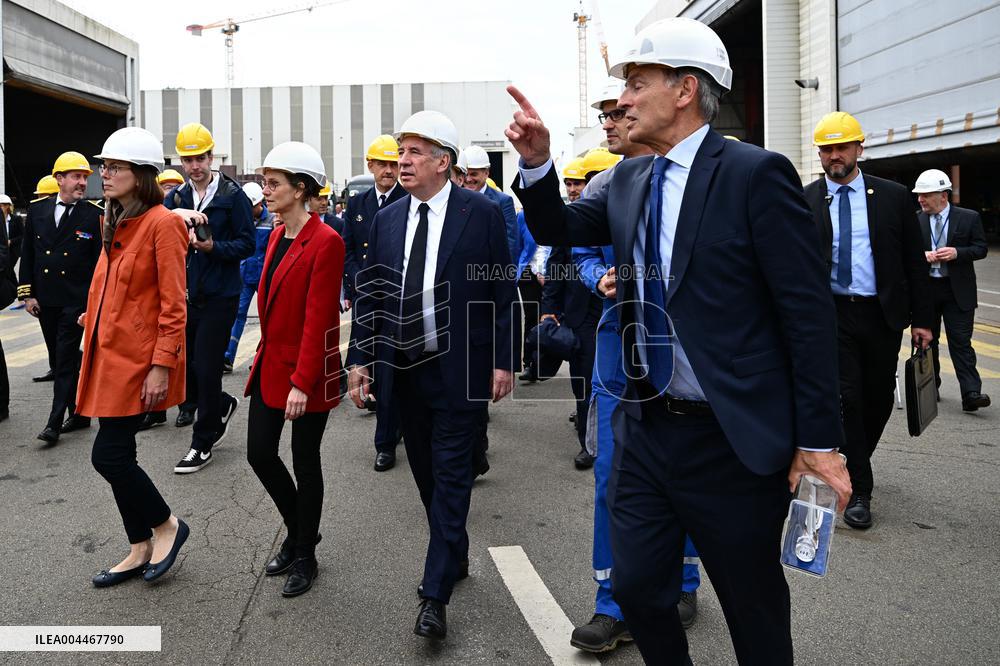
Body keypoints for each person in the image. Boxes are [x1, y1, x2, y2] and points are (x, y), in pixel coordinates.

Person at [506, 17, 852, 664]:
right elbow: (557, 223)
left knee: (754, 613)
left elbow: (806, 316)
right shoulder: (629, 180)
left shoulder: (756, 175)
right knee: (637, 589)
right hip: (646, 428)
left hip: (732, 440)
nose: (623, 101)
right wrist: (536, 163)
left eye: (637, 83)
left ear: (686, 88)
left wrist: (819, 443)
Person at [347, 110, 516, 640]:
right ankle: (454, 549)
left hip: (459, 368)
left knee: (450, 475)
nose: (403, 160)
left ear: (444, 162)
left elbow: (501, 290)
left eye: (415, 152)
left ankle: (434, 592)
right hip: (403, 370)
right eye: (402, 151)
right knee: (424, 472)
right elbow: (373, 295)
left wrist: (504, 359)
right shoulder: (388, 219)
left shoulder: (481, 214)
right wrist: (359, 359)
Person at [568, 81, 699, 654]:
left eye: (618, 113)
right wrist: (598, 278)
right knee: (613, 476)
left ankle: (685, 580)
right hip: (617, 349)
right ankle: (612, 603)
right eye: (605, 115)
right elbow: (575, 250)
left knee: (692, 473)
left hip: (686, 356)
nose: (609, 123)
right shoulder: (604, 184)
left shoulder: (698, 182)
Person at [803, 112, 933, 529]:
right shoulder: (804, 200)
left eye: (842, 147)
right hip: (831, 314)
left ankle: (850, 459)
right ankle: (860, 489)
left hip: (881, 313)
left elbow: (915, 263)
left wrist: (924, 320)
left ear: (860, 148)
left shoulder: (892, 196)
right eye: (827, 149)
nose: (834, 156)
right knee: (848, 397)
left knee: (877, 398)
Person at [77, 127, 190, 588]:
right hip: (110, 354)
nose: (105, 173)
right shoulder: (116, 217)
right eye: (105, 166)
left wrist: (161, 364)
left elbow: (174, 303)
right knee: (116, 450)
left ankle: (166, 526)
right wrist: (93, 319)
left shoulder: (162, 223)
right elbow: (112, 284)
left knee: (109, 455)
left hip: (140, 362)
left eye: (116, 167)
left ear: (141, 175)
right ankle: (139, 545)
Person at [245, 141, 345, 597]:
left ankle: (305, 552)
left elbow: (320, 318)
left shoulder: (326, 242)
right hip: (271, 365)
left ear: (300, 188)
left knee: (306, 462)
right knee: (259, 453)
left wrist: (302, 383)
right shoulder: (274, 235)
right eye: (265, 182)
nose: (266, 190)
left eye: (274, 183)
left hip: (310, 372)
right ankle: (301, 528)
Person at [163, 122, 255, 472]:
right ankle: (221, 403)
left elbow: (247, 243)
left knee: (207, 366)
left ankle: (202, 444)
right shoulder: (177, 198)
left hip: (221, 294)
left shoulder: (233, 196)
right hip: (188, 293)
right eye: (188, 160)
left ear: (211, 157)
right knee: (190, 367)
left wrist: (213, 246)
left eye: (200, 158)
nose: (194, 166)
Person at [541, 147, 618, 471]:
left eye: (586, 180)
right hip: (581, 316)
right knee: (584, 382)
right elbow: (556, 268)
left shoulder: (626, 213)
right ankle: (589, 443)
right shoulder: (569, 221)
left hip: (618, 313)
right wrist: (548, 311)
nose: (581, 187)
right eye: (576, 181)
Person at [18, 151, 102, 444]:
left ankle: (54, 424)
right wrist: (27, 294)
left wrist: (94, 303)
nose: (82, 183)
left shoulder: (93, 214)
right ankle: (79, 414)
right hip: (46, 300)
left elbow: (98, 264)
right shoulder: (37, 210)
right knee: (58, 357)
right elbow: (28, 254)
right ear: (59, 179)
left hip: (74, 301)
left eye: (84, 178)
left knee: (65, 360)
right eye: (76, 177)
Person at [342, 134, 407, 472]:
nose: (388, 170)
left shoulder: (407, 199)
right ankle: (387, 433)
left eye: (393, 164)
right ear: (370, 165)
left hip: (396, 298)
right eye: (382, 164)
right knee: (364, 360)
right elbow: (349, 249)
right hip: (367, 297)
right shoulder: (358, 204)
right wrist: (355, 280)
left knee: (390, 368)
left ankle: (386, 440)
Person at [912, 169, 990, 411]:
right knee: (927, 342)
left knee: (960, 342)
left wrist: (958, 253)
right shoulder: (915, 220)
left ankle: (971, 393)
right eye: (919, 195)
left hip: (958, 292)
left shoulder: (969, 218)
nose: (920, 200)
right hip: (927, 291)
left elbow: (980, 248)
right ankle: (929, 388)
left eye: (926, 195)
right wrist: (920, 255)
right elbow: (904, 251)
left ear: (943, 196)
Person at [220, 182, 275, 376]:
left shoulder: (273, 221)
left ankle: (265, 359)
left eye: (251, 207)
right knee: (237, 315)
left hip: (264, 276)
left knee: (268, 318)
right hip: (244, 276)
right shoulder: (242, 219)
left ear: (260, 203)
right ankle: (227, 357)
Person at [461, 145, 519, 266]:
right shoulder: (454, 198)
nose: (468, 179)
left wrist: (505, 277)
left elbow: (510, 243)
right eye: (465, 174)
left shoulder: (503, 201)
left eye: (474, 174)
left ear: (486, 173)